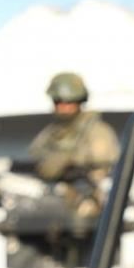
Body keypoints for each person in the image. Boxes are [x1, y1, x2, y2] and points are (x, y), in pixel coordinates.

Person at [26, 72, 120, 214]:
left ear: (80, 101)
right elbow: (35, 156)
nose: (64, 107)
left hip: (88, 206)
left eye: (69, 102)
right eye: (58, 101)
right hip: (51, 208)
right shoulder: (50, 133)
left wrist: (69, 160)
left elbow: (103, 163)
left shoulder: (97, 131)